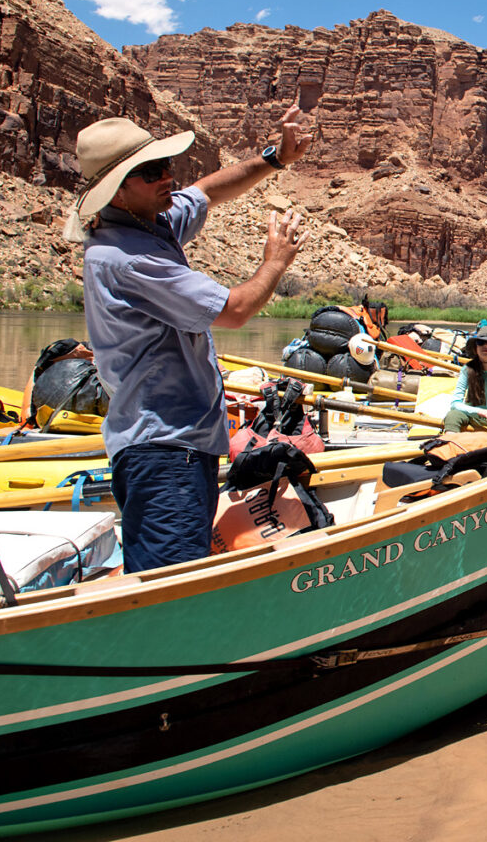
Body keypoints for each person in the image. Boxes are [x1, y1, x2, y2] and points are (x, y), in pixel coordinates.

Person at [70, 105, 312, 573]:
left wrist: (275, 159)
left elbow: (203, 192)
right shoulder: (127, 258)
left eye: (165, 165)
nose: (168, 177)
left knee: (175, 571)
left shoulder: (147, 220)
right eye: (151, 172)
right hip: (163, 451)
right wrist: (276, 260)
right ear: (117, 191)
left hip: (181, 443)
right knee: (171, 585)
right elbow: (235, 310)